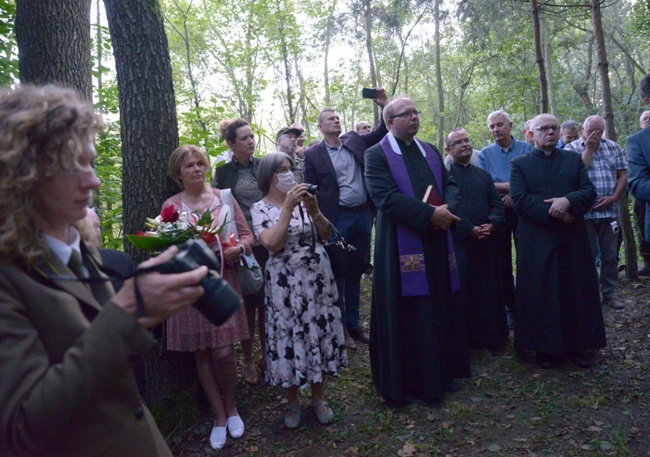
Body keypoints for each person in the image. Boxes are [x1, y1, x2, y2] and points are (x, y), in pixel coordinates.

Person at [0, 84, 208, 457]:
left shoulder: (77, 248)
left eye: (91, 162)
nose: (93, 181)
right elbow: (22, 429)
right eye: (71, 166)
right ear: (22, 175)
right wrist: (129, 311)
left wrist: (152, 302)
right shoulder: (8, 275)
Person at [364, 96, 470, 404]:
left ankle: (441, 373)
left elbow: (450, 184)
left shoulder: (431, 150)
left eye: (416, 112)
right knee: (410, 312)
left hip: (437, 242)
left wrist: (447, 208)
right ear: (389, 121)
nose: (414, 117)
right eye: (406, 114)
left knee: (439, 305)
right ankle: (409, 382)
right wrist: (430, 216)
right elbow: (385, 198)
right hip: (400, 246)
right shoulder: (376, 155)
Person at [163, 145, 253, 450]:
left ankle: (232, 407)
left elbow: (247, 236)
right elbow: (166, 248)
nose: (196, 169)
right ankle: (218, 417)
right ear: (178, 174)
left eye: (199, 163)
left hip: (223, 282)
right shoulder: (171, 207)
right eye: (189, 165)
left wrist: (237, 249)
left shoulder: (223, 197)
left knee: (224, 354)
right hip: (191, 287)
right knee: (202, 354)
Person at [251, 152, 346, 429]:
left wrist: (314, 209)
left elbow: (327, 235)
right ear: (269, 176)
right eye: (282, 169)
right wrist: (288, 209)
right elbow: (272, 243)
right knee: (289, 336)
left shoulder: (305, 202)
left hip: (317, 279)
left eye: (290, 168)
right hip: (285, 283)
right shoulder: (260, 208)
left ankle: (318, 398)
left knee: (318, 332)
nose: (289, 173)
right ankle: (292, 401)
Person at [511, 113, 606, 368]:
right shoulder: (519, 164)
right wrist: (556, 213)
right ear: (530, 135)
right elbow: (520, 201)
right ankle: (545, 349)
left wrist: (568, 203)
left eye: (554, 128)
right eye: (544, 129)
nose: (551, 133)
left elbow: (588, 191)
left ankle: (579, 346)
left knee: (574, 288)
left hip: (572, 237)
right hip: (538, 240)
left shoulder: (573, 159)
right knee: (543, 293)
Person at [302, 87, 388, 350]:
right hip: (336, 219)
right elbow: (310, 187)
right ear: (319, 127)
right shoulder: (313, 154)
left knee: (358, 269)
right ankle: (340, 328)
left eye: (338, 117)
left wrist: (384, 106)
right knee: (339, 272)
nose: (336, 120)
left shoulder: (354, 141)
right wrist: (318, 219)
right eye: (330, 119)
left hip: (363, 215)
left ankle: (355, 324)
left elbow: (381, 134)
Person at [212, 118, 267, 385]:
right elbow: (218, 208)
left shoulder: (264, 167)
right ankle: (247, 359)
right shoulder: (222, 173)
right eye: (244, 138)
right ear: (231, 144)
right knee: (247, 305)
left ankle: (268, 355)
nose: (251, 141)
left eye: (252, 136)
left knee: (268, 303)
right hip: (241, 246)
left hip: (269, 242)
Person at [445, 129, 508, 351]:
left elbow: (497, 204)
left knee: (489, 289)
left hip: (487, 241)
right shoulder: (445, 178)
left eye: (467, 140)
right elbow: (446, 211)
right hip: (460, 243)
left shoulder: (483, 175)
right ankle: (467, 341)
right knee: (465, 290)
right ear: (448, 150)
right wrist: (468, 229)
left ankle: (492, 337)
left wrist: (492, 223)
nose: (465, 145)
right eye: (458, 142)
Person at [565, 115, 627, 309]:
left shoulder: (613, 147)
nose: (595, 135)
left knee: (610, 256)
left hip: (609, 212)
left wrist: (614, 198)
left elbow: (623, 174)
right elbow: (574, 175)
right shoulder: (571, 149)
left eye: (599, 132)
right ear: (583, 129)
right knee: (586, 256)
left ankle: (609, 293)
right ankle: (589, 295)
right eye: (591, 131)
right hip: (584, 214)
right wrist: (589, 150)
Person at [478, 110, 532, 329]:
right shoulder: (485, 154)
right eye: (492, 127)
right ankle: (509, 307)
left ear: (510, 125)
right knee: (501, 261)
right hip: (498, 212)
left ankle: (530, 304)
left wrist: (512, 193)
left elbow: (532, 178)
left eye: (499, 125)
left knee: (527, 257)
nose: (496, 130)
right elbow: (486, 184)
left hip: (523, 211)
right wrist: (514, 188)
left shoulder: (527, 149)